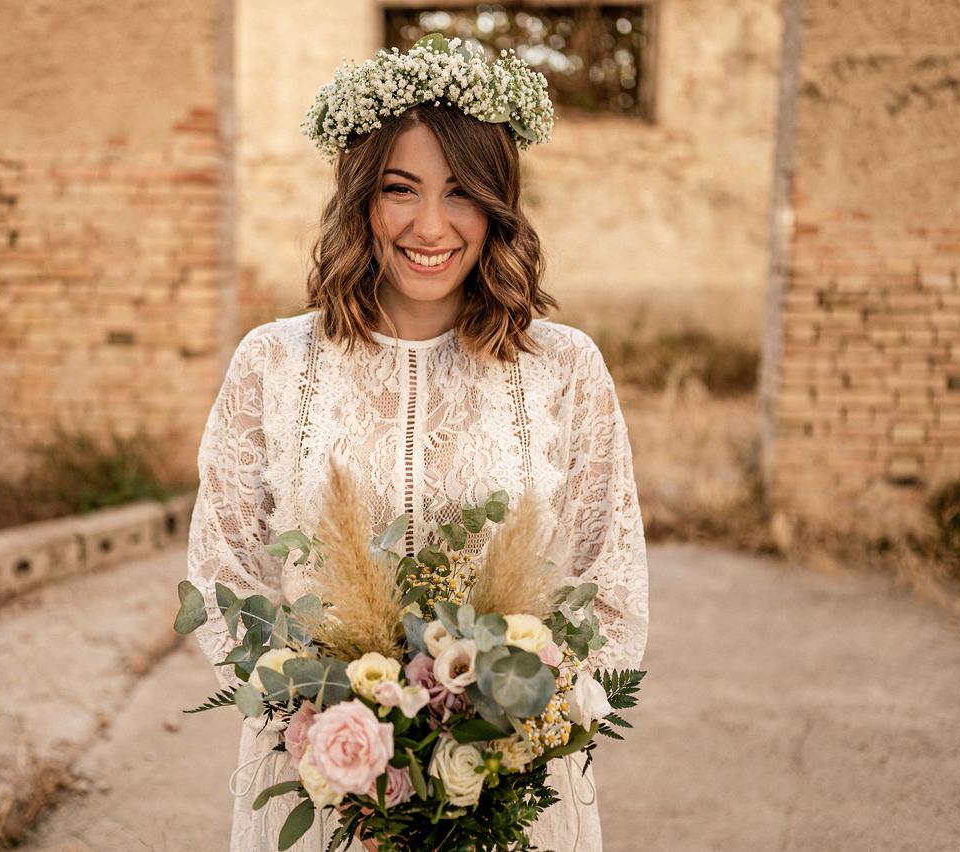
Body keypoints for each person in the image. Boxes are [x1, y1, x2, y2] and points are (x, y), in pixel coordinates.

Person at [185, 35, 648, 852]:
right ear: (362, 199)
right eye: (401, 189)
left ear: (498, 206)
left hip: (509, 792)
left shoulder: (564, 369)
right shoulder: (272, 363)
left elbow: (608, 585)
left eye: (462, 193)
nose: (430, 225)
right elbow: (224, 573)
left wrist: (500, 734)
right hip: (322, 784)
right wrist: (331, 725)